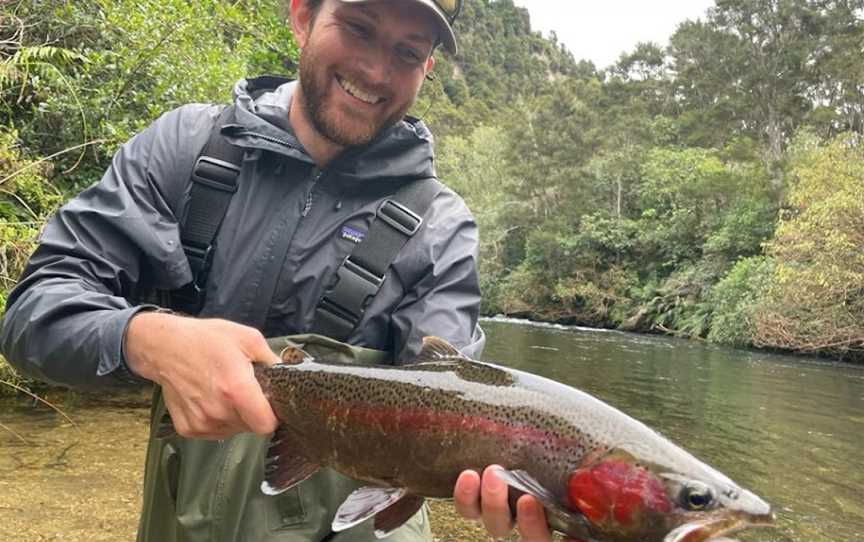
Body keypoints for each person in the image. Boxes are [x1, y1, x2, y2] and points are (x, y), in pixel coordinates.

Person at [0, 0, 557, 540]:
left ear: (426, 69)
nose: (376, 69)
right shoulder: (184, 150)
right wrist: (144, 339)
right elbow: (33, 312)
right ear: (301, 17)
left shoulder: (442, 227)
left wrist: (527, 481)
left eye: (408, 54)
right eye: (358, 28)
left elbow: (451, 393)